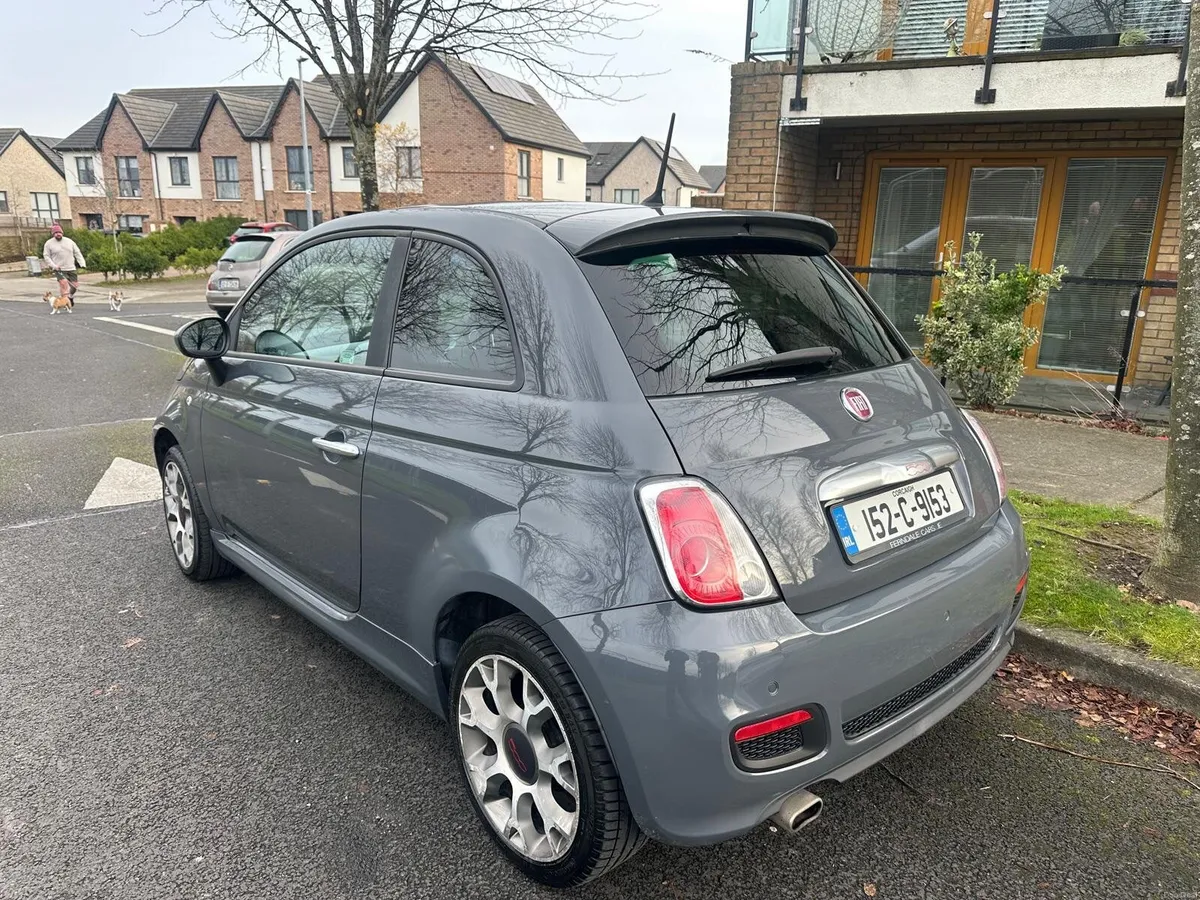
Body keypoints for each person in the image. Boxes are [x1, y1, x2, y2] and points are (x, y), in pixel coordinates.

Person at [42, 224, 86, 308]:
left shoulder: (69, 241)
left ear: (62, 232)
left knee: (74, 286)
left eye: (59, 232)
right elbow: (46, 256)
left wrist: (82, 263)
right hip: (59, 269)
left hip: (71, 267)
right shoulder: (49, 243)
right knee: (64, 284)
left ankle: (70, 297)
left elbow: (77, 252)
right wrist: (53, 265)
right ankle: (65, 303)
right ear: (53, 234)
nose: (58, 234)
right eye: (56, 233)